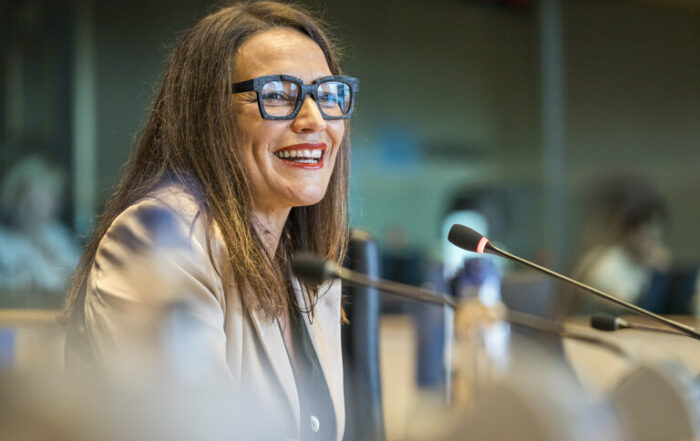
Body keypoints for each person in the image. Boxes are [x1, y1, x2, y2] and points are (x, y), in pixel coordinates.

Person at [62, 2, 359, 440]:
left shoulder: (308, 269)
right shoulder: (159, 237)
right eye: (278, 93)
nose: (314, 120)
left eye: (328, 94)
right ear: (209, 116)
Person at [0, 155, 80, 307]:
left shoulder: (58, 235)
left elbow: (78, 279)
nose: (55, 201)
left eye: (56, 195)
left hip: (57, 321)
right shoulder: (4, 242)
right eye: (48, 193)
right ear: (21, 196)